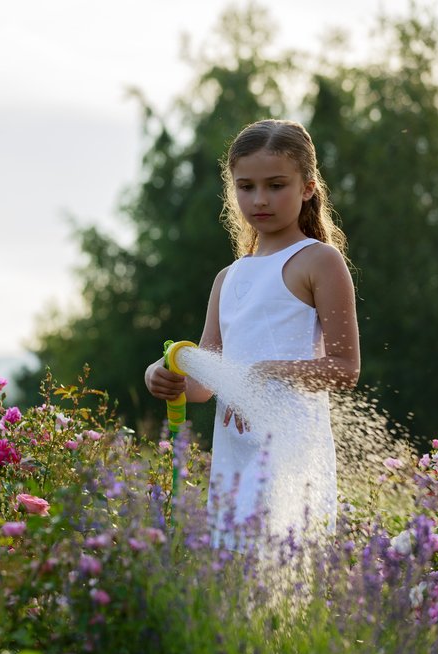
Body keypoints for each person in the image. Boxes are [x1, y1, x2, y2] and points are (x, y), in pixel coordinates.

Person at [144, 119, 360, 544]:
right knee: (234, 584)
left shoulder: (318, 262)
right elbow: (205, 384)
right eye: (246, 187)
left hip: (291, 451)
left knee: (290, 576)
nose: (260, 199)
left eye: (276, 185)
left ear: (308, 187)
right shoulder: (228, 278)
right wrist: (165, 377)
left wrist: (264, 372)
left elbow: (344, 370)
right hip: (234, 456)